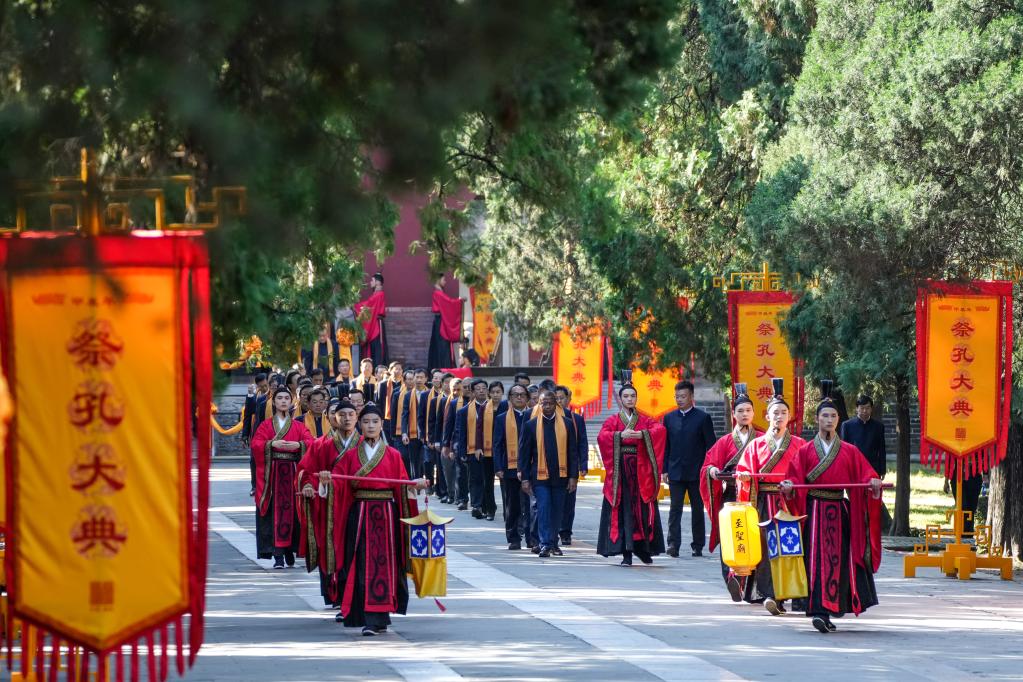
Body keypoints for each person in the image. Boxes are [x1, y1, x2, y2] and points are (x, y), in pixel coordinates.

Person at [781, 380, 882, 634]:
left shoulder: (849, 451)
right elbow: (794, 477)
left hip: (839, 510)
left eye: (833, 415)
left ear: (838, 419)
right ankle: (818, 610)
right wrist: (789, 486)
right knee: (816, 561)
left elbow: (865, 474)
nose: (829, 419)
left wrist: (872, 481)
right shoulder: (804, 451)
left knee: (839, 561)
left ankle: (831, 609)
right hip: (814, 510)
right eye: (825, 415)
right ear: (817, 419)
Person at [325, 404, 427, 635]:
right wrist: (326, 480)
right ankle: (366, 616)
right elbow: (339, 484)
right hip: (359, 515)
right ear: (360, 425)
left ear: (382, 425)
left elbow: (402, 485)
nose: (370, 426)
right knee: (361, 564)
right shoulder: (350, 456)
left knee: (386, 565)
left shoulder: (393, 455)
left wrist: (414, 485)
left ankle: (380, 617)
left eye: (375, 422)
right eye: (366, 422)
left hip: (386, 516)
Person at [735, 377, 807, 614]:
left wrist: (793, 484)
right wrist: (744, 477)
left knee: (789, 548)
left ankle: (786, 595)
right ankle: (769, 594)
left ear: (789, 417)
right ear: (766, 417)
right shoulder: (755, 445)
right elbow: (744, 469)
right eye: (775, 413)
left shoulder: (798, 444)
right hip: (763, 501)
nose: (779, 417)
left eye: (783, 412)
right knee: (766, 548)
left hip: (788, 504)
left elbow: (805, 473)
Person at [699, 383, 763, 600]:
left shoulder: (762, 439)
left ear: (754, 413)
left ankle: (754, 589)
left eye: (748, 410)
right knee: (732, 537)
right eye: (740, 411)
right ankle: (732, 578)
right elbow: (708, 465)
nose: (745, 414)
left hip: (756, 496)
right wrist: (713, 471)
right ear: (733, 414)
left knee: (755, 540)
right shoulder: (725, 441)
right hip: (732, 496)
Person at [298, 399, 361, 609]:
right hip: (329, 506)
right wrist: (309, 485)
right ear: (333, 418)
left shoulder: (364, 445)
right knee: (330, 546)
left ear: (357, 417)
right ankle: (333, 593)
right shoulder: (321, 445)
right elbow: (306, 471)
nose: (346, 418)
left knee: (353, 548)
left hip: (356, 506)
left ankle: (351, 595)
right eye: (340, 414)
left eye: (350, 414)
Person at [596, 383, 667, 566]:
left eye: (632, 396)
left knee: (642, 509)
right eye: (626, 396)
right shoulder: (613, 420)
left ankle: (643, 549)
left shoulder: (644, 419)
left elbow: (660, 430)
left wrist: (643, 435)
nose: (629, 399)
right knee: (624, 509)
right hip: (621, 474)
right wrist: (619, 435)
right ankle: (626, 551)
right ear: (620, 399)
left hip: (640, 470)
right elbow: (602, 436)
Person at [251, 387, 314, 568]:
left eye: (287, 398)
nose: (284, 401)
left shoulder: (299, 426)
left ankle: (289, 551)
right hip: (273, 475)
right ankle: (278, 554)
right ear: (274, 402)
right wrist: (272, 444)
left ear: (292, 401)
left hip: (293, 473)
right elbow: (256, 444)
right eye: (280, 398)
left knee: (293, 513)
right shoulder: (265, 425)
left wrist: (298, 444)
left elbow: (310, 442)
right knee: (275, 514)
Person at [518, 390, 578, 558]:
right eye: (544, 403)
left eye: (551, 403)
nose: (548, 406)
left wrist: (573, 477)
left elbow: (573, 452)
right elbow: (524, 453)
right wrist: (524, 478)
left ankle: (553, 543)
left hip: (561, 476)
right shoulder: (531, 425)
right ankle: (545, 544)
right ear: (539, 404)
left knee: (558, 511)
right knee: (543, 508)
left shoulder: (566, 424)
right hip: (539, 476)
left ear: (556, 405)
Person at [662, 380, 717, 558]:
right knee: (674, 509)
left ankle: (698, 545)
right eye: (677, 396)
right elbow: (666, 446)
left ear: (691, 397)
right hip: (675, 471)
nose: (680, 399)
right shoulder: (669, 418)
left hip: (697, 472)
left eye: (683, 396)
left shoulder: (702, 418)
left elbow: (712, 447)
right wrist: (664, 469)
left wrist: (709, 469)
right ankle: (672, 545)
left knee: (697, 509)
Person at [494, 384, 532, 550]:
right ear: (509, 398)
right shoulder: (502, 418)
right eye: (515, 395)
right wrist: (499, 467)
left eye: (522, 395)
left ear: (527, 398)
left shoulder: (533, 417)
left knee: (531, 505)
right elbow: (497, 445)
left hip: (531, 467)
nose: (519, 397)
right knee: (512, 505)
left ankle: (532, 538)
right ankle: (513, 537)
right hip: (509, 467)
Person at [455, 379, 497, 521]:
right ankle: (476, 506)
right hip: (472, 450)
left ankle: (489, 508)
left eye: (484, 388)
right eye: (478, 389)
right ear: (473, 392)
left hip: (491, 451)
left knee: (488, 480)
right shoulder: (464, 411)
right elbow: (461, 434)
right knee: (475, 479)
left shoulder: (494, 409)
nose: (481, 391)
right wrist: (462, 453)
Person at [554, 385, 588, 546]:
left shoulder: (576, 419)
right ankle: (552, 530)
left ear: (568, 399)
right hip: (551, 466)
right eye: (556, 398)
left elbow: (582, 443)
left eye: (562, 398)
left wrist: (583, 464)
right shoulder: (546, 418)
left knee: (569, 501)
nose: (559, 401)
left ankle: (565, 532)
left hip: (570, 466)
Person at [839, 395, 887, 478]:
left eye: (867, 408)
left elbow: (882, 449)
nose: (864, 410)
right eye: (861, 408)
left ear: (871, 409)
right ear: (857, 408)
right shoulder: (847, 425)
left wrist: (882, 470)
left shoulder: (878, 426)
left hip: (873, 467)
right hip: (854, 467)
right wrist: (844, 469)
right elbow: (844, 450)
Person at [440, 377, 467, 507]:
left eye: (459, 389)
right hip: (454, 441)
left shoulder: (469, 402)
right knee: (456, 470)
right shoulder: (449, 403)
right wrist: (445, 444)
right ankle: (457, 496)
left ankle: (463, 496)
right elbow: (446, 424)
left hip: (470, 441)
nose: (456, 392)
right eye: (453, 389)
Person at [242, 372, 270, 495]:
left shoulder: (275, 396)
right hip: (258, 433)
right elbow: (248, 415)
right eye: (261, 386)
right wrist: (244, 435)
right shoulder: (255, 397)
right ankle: (254, 486)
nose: (264, 389)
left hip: (270, 432)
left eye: (265, 385)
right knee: (254, 460)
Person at [429, 275, 463, 371]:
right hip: (440, 324)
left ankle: (444, 368)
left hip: (440, 322)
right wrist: (460, 301)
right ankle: (443, 369)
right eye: (444, 279)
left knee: (442, 347)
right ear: (438, 279)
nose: (445, 282)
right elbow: (449, 302)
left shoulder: (440, 292)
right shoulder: (438, 293)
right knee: (442, 347)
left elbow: (448, 302)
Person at [354, 272, 388, 366]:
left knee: (377, 349)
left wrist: (355, 306)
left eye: (372, 280)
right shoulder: (376, 294)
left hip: (377, 326)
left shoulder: (379, 294)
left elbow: (369, 304)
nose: (370, 282)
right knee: (373, 348)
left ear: (377, 282)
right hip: (374, 323)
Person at [423, 370, 447, 499]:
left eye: (440, 378)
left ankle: (441, 489)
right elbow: (427, 419)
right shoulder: (428, 396)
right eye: (435, 378)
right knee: (428, 462)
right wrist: (428, 437)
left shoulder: (448, 398)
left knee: (440, 464)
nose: (437, 380)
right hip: (431, 435)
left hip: (444, 436)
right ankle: (429, 483)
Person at [376, 361, 404, 441]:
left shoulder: (405, 384)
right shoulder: (383, 384)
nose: (398, 371)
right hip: (387, 418)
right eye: (396, 369)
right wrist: (381, 418)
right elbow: (379, 402)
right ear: (390, 371)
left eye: (400, 369)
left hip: (400, 417)